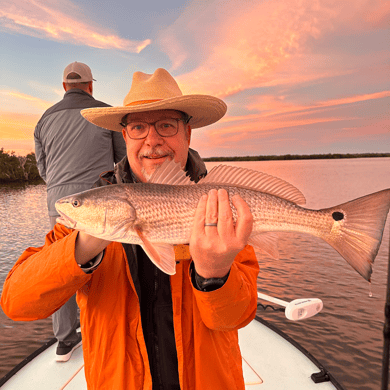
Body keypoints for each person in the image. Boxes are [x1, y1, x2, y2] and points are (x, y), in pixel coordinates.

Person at [2, 68, 259, 389]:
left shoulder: (220, 208)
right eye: (138, 127)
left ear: (187, 134)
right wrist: (83, 246)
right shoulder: (79, 224)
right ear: (124, 137)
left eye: (167, 125)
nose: (153, 140)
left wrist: (214, 275)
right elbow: (17, 304)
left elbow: (234, 318)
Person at [33, 61, 126, 361]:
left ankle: (64, 341)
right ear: (90, 86)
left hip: (59, 204)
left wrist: (60, 189)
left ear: (63, 87)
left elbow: (42, 166)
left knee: (62, 265)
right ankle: (110, 333)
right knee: (105, 263)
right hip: (101, 202)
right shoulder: (104, 113)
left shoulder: (44, 119)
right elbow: (123, 161)